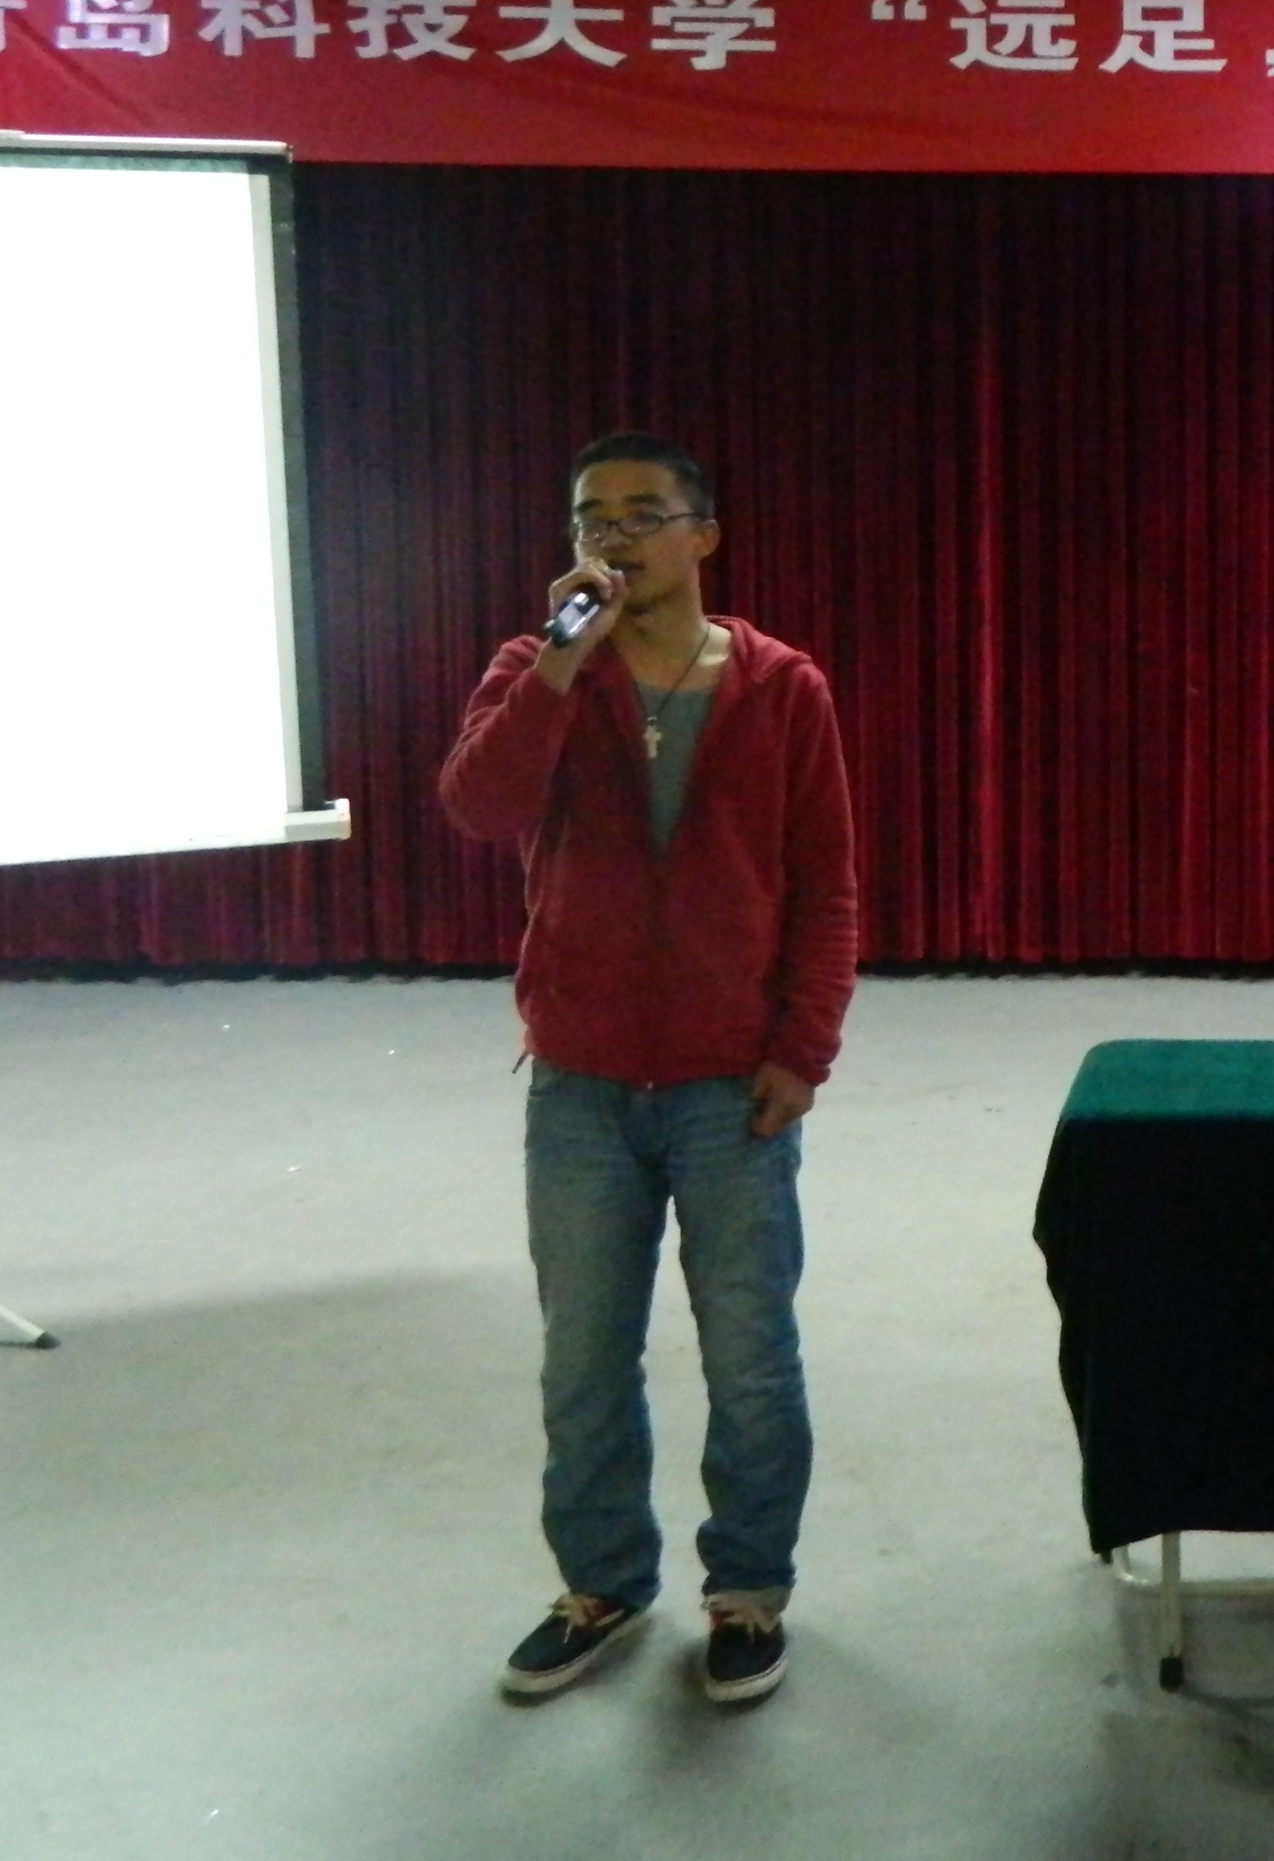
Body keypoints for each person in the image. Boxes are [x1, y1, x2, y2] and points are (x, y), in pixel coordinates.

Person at [438, 432, 859, 1708]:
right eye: (592, 519)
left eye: (642, 513)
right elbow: (479, 805)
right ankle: (602, 1585)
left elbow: (825, 884)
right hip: (582, 1080)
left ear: (702, 535)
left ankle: (749, 1592)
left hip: (732, 1085)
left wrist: (803, 1049)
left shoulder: (782, 687)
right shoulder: (535, 671)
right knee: (584, 1359)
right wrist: (560, 663)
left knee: (750, 1357)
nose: (614, 537)